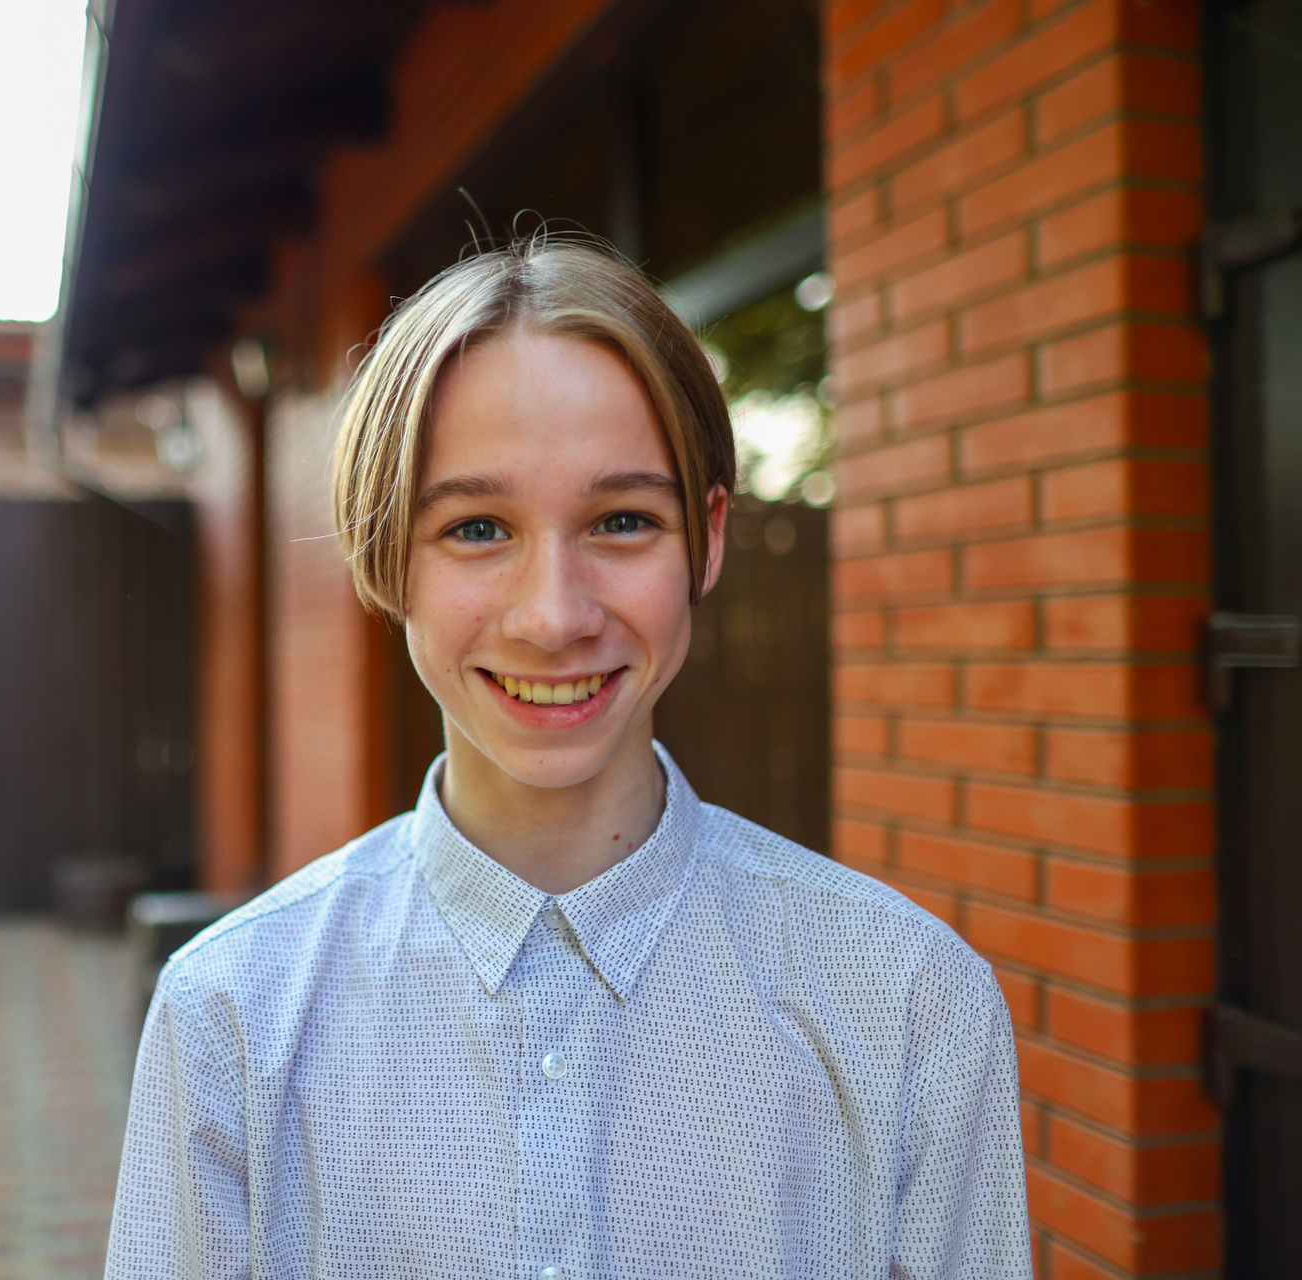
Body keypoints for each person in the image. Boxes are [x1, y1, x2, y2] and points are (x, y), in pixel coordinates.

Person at [104, 237, 1030, 1279]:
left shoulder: (911, 1005)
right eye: (477, 527)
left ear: (708, 538)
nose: (553, 616)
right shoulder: (231, 1015)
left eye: (622, 520)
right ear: (384, 550)